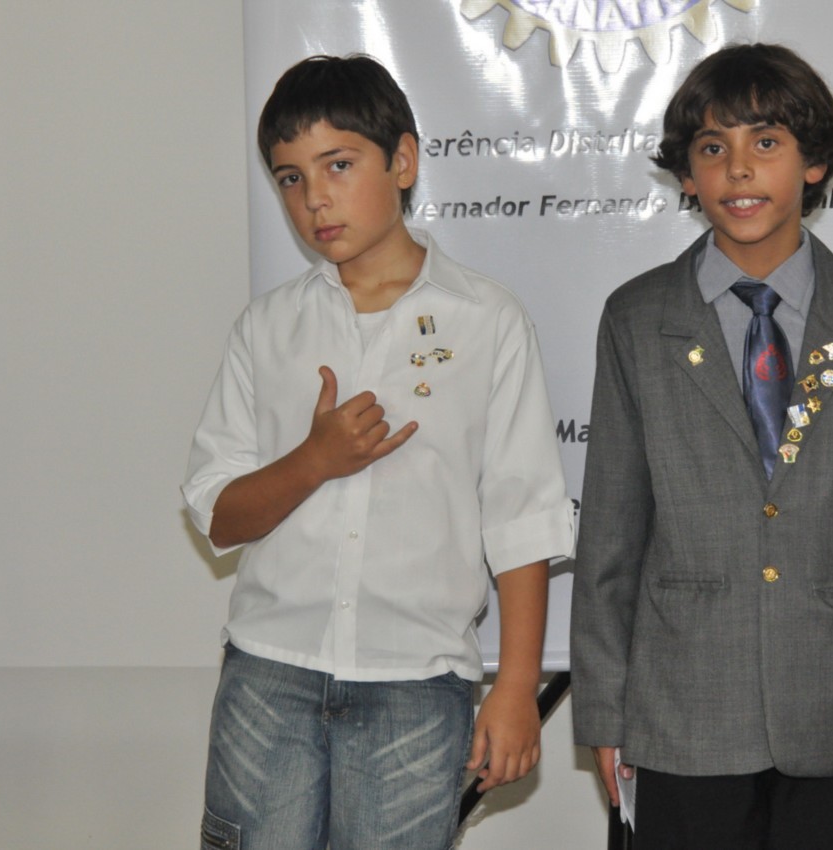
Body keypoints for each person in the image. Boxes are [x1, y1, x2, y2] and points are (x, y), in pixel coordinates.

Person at [182, 54, 574, 850]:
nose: (314, 198)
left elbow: (522, 516)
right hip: (269, 672)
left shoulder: (487, 320)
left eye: (338, 165)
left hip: (417, 683)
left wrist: (515, 688)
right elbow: (219, 517)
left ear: (403, 161)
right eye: (290, 178)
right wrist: (314, 460)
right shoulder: (267, 327)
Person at [570, 43, 833, 850]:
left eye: (766, 143)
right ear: (686, 176)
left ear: (815, 163)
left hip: (832, 702)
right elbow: (610, 531)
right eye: (714, 148)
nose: (739, 170)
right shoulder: (638, 317)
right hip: (681, 711)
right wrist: (604, 710)